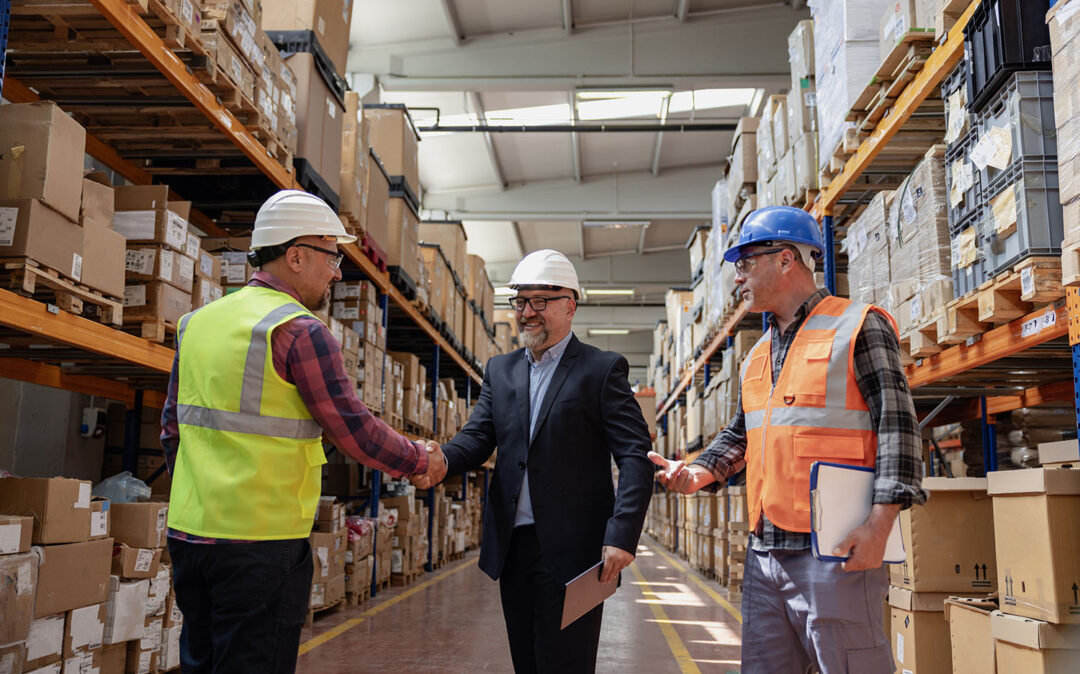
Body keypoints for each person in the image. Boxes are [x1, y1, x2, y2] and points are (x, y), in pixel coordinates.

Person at [161, 190, 445, 674]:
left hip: (191, 539)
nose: (337, 271)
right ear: (294, 255)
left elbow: (173, 430)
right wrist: (421, 459)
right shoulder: (299, 331)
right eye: (331, 256)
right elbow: (353, 429)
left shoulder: (197, 323)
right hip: (261, 545)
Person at [651, 206, 927, 673]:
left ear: (785, 260)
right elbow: (742, 435)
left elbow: (898, 429)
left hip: (834, 551)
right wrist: (698, 472)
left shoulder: (858, 325)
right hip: (765, 554)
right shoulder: (759, 353)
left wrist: (879, 527)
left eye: (745, 263)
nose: (737, 278)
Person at [411, 249, 654, 674]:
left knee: (566, 665)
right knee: (527, 661)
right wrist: (441, 461)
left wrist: (622, 533)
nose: (527, 312)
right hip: (514, 547)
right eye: (521, 302)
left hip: (576, 551)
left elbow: (635, 455)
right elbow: (478, 438)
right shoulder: (501, 370)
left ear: (570, 305)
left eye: (540, 301)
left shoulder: (601, 370)